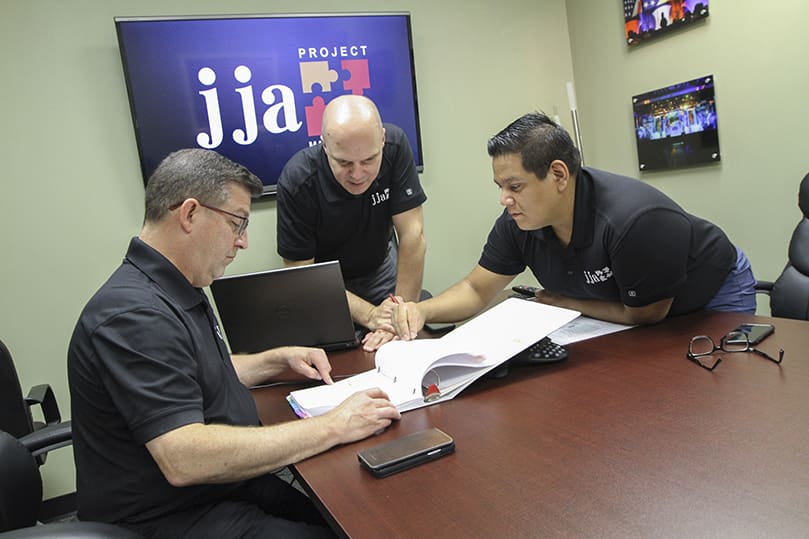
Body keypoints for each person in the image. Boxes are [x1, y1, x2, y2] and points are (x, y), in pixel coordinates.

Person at [67, 149, 401, 538]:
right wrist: (334, 425)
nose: (242, 241)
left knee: (352, 515)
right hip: (168, 517)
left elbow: (192, 371)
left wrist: (274, 361)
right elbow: (185, 457)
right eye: (237, 223)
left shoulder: (171, 286)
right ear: (190, 214)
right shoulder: (132, 316)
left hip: (218, 490)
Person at [388, 112, 756, 343]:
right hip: (625, 308)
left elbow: (647, 314)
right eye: (500, 187)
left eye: (514, 187)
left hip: (710, 292)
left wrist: (563, 303)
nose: (504, 199)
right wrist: (423, 311)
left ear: (559, 175)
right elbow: (476, 287)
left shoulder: (633, 221)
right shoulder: (518, 223)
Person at [276, 95, 427, 350]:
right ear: (324, 146)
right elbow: (302, 275)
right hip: (324, 286)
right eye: (344, 162)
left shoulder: (396, 146)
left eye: (369, 160)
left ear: (382, 139)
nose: (357, 174)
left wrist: (401, 314)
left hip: (380, 269)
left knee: (401, 346)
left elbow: (413, 234)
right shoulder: (297, 180)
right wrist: (370, 315)